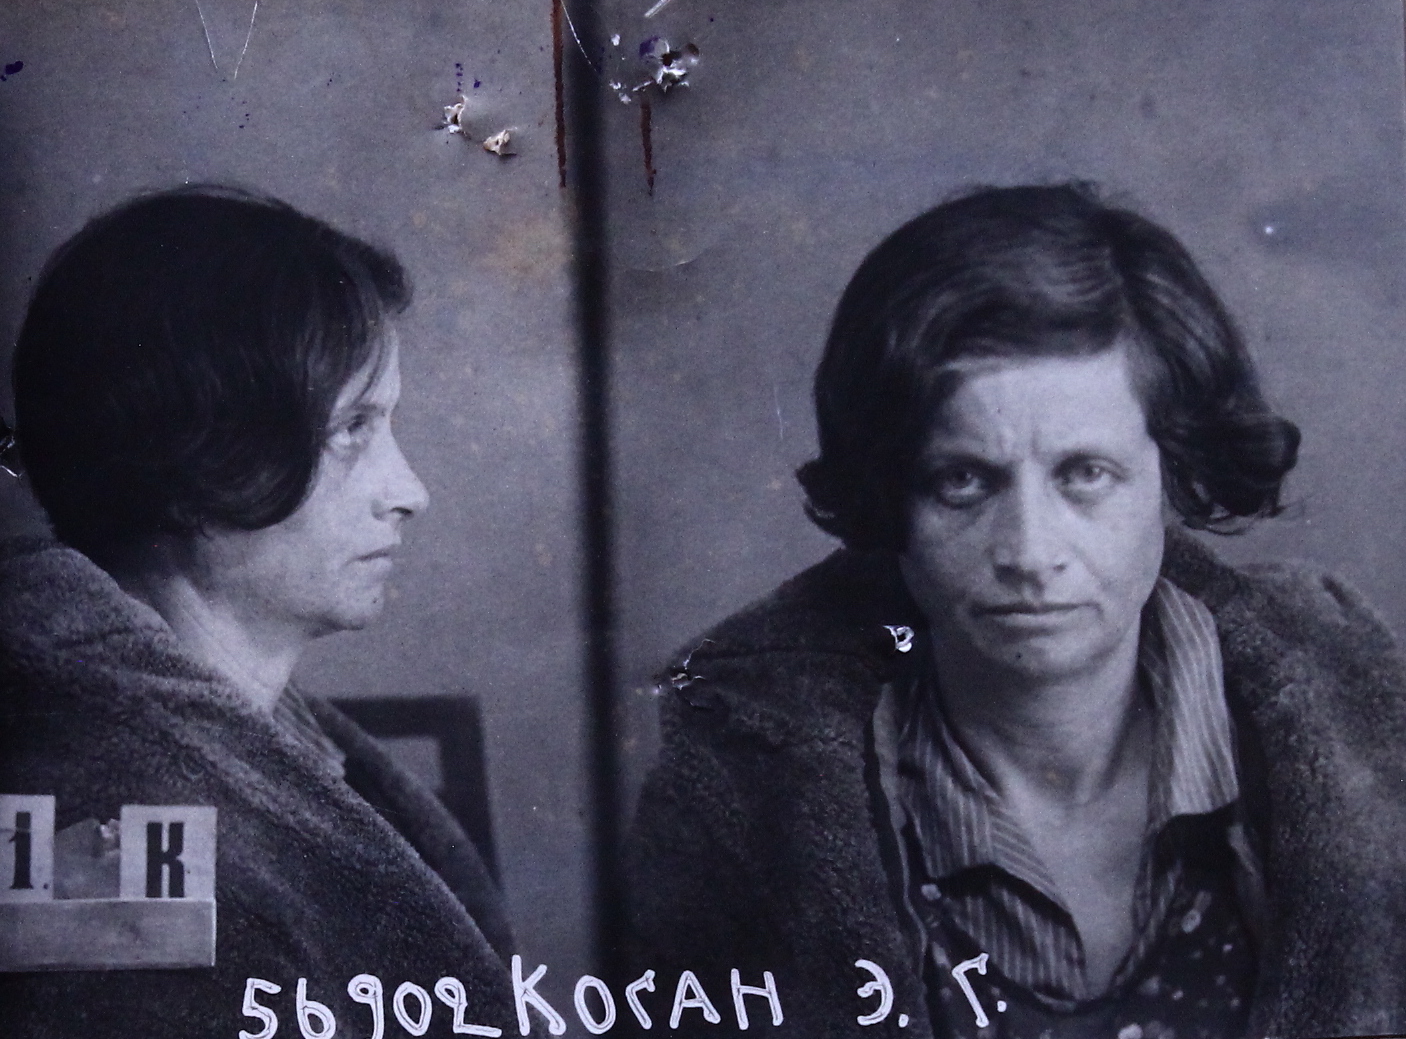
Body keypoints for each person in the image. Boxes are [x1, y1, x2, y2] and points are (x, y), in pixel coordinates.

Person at [628, 184, 1406, 1039]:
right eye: (963, 480)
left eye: (1086, 474)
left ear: (1174, 477)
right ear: (892, 499)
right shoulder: (746, 800)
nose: (1030, 552)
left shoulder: (1360, 735)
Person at [0, 188, 520, 1037]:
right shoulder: (97, 823)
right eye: (353, 428)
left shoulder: (271, 753)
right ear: (199, 459)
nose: (410, 491)